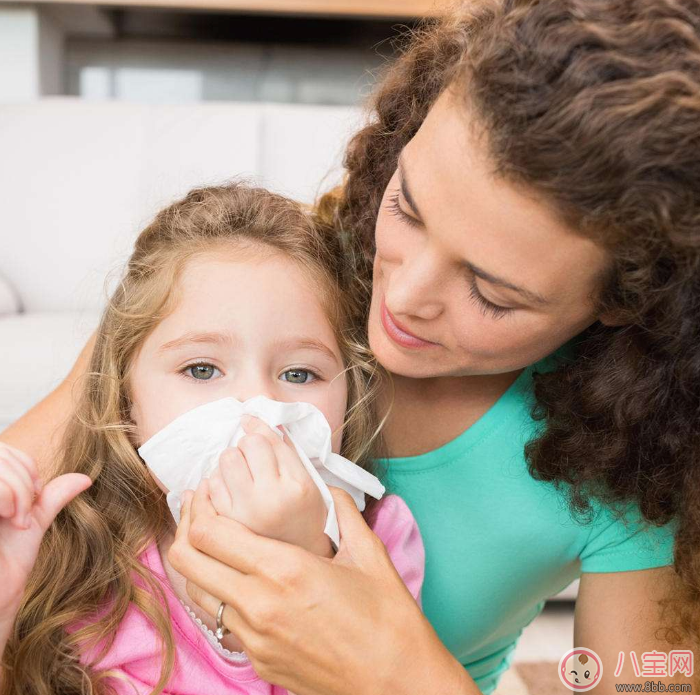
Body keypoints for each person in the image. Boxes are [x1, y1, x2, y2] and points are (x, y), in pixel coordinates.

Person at [3, 0, 700, 693]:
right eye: (408, 207)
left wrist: (397, 671)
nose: (403, 296)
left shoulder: (642, 478)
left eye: (492, 292)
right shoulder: (262, 276)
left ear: (628, 300)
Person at [0, 183, 425, 694]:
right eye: (201, 369)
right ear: (126, 400)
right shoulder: (73, 542)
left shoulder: (379, 546)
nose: (254, 408)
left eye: (298, 374)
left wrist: (306, 555)